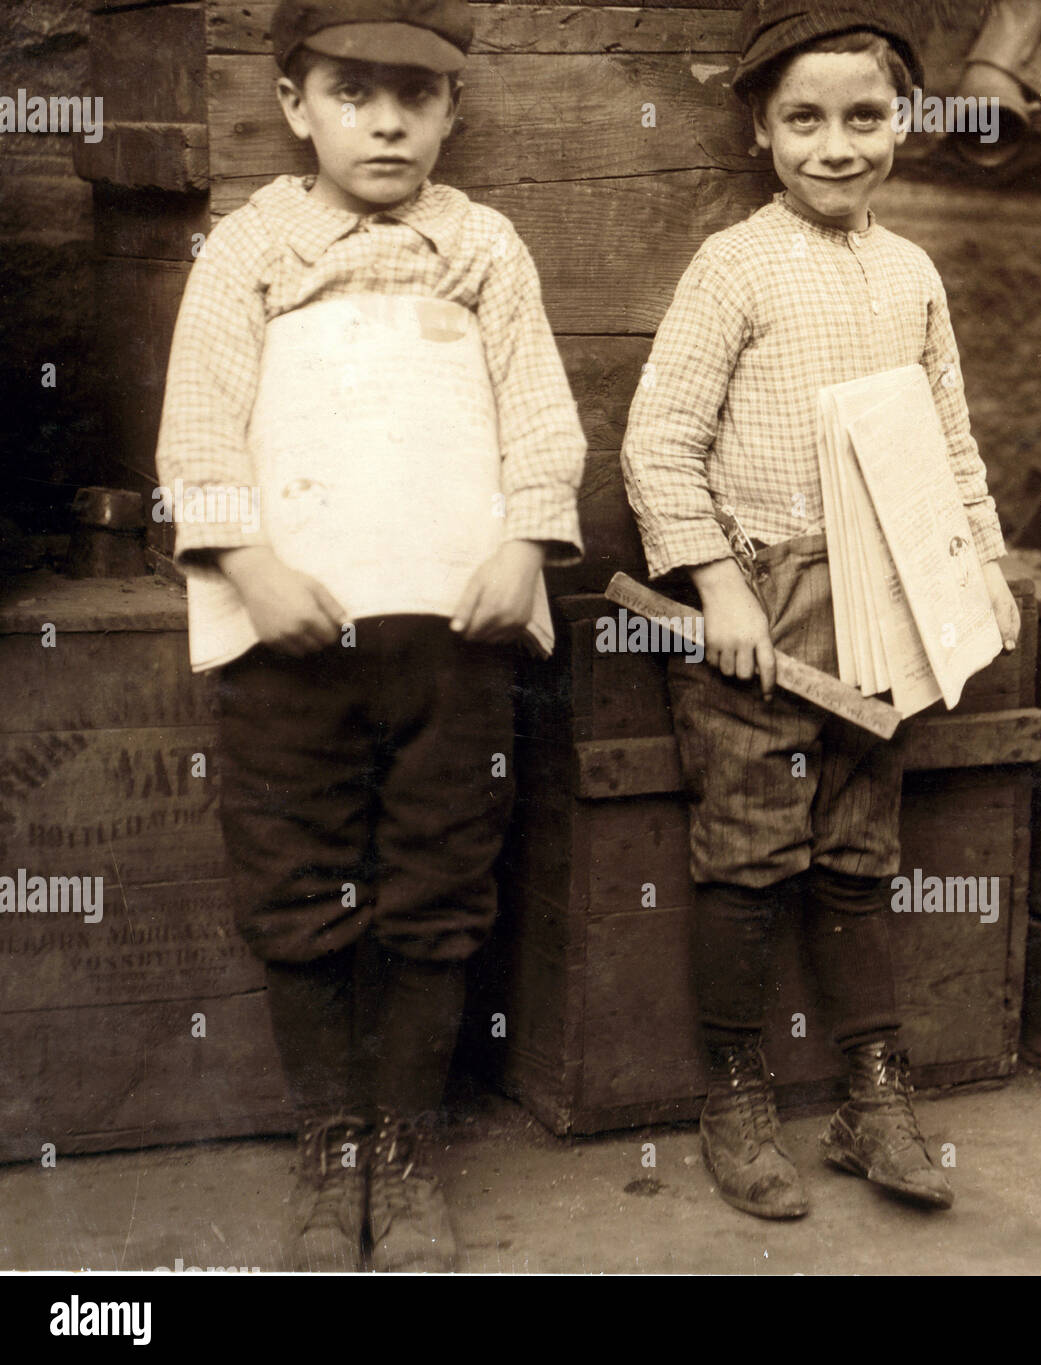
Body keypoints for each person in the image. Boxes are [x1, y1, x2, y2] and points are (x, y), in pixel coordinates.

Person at [154, 0, 585, 1270]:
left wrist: (521, 545)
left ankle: (404, 1143)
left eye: (417, 95)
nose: (386, 120)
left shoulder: (485, 247)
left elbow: (542, 421)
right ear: (296, 104)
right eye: (352, 92)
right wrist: (247, 564)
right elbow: (199, 429)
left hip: (453, 634)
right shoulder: (254, 249)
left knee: (437, 883)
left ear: (454, 109)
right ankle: (330, 1138)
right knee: (297, 883)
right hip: (295, 635)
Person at [620, 0, 1021, 1220]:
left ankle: (869, 1093)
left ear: (899, 122)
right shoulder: (734, 266)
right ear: (760, 130)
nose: (837, 146)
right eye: (805, 120)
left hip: (885, 596)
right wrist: (721, 589)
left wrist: (978, 572)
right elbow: (657, 445)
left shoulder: (911, 275)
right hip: (764, 605)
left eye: (864, 117)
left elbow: (949, 444)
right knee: (750, 848)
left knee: (857, 843)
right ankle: (734, 1094)